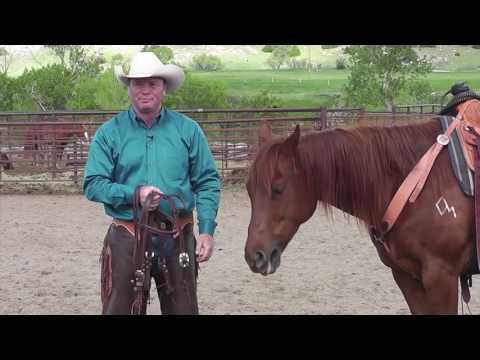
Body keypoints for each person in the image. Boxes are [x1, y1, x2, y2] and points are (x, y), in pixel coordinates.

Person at [83, 52, 220, 315]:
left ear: (164, 88)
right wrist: (134, 194)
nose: (145, 90)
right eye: (138, 83)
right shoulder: (110, 133)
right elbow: (93, 184)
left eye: (152, 83)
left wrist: (207, 230)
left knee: (184, 311)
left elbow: (207, 181)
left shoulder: (187, 130)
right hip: (128, 235)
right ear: (129, 88)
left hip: (178, 237)